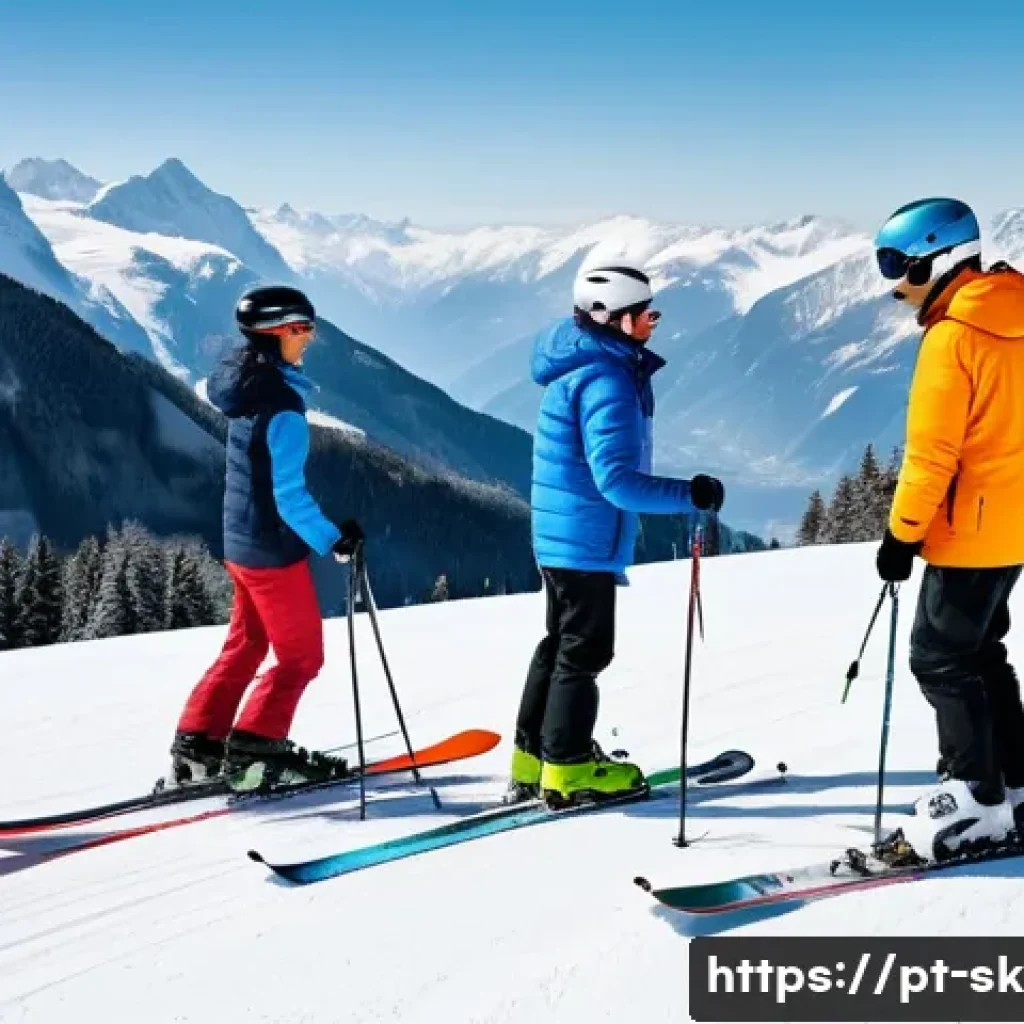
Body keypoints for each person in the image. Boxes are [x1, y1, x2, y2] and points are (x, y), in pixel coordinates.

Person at [508, 261, 725, 808]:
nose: (654, 321)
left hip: (562, 535)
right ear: (612, 319)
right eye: (644, 313)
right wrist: (689, 494)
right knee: (584, 651)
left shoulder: (581, 361)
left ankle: (532, 758)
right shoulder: (607, 379)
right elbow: (618, 483)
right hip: (585, 537)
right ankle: (569, 767)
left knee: (560, 644)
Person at [873, 197, 1024, 861]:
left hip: (969, 533)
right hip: (1015, 530)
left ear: (940, 257)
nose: (892, 282)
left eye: (898, 265)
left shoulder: (953, 336)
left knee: (937, 656)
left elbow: (932, 455)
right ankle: (1014, 783)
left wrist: (902, 535)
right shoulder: (1014, 311)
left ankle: (974, 796)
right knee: (981, 653)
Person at [169, 285, 365, 791]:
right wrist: (334, 540)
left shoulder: (246, 385)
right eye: (302, 328)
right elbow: (290, 497)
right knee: (301, 657)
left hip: (240, 543)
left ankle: (199, 743)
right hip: (272, 552)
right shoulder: (282, 410)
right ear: (275, 333)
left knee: (248, 644)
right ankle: (256, 750)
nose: (310, 337)